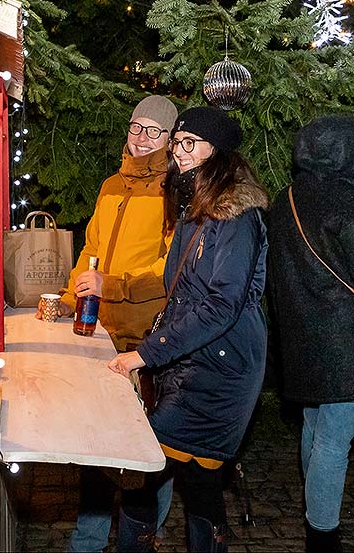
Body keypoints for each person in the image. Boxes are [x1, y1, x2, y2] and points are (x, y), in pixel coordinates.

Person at [108, 107, 269, 552]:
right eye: (177, 142)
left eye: (189, 143)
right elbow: (179, 292)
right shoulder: (196, 207)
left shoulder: (235, 217)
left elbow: (221, 305)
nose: (177, 153)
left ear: (216, 152)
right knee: (196, 481)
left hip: (221, 370)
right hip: (192, 363)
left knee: (147, 469)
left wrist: (146, 354)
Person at [39, 95, 178, 552]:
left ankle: (143, 538)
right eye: (136, 127)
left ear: (169, 139)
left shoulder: (174, 191)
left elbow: (169, 268)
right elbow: (90, 253)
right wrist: (67, 297)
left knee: (145, 446)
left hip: (147, 333)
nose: (140, 138)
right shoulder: (110, 185)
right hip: (100, 330)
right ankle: (88, 542)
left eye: (152, 132)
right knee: (95, 441)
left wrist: (112, 285)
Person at [265, 116, 354, 553]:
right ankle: (323, 535)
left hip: (302, 336)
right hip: (345, 342)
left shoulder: (285, 200)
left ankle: (314, 517)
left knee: (314, 427)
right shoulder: (346, 199)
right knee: (336, 438)